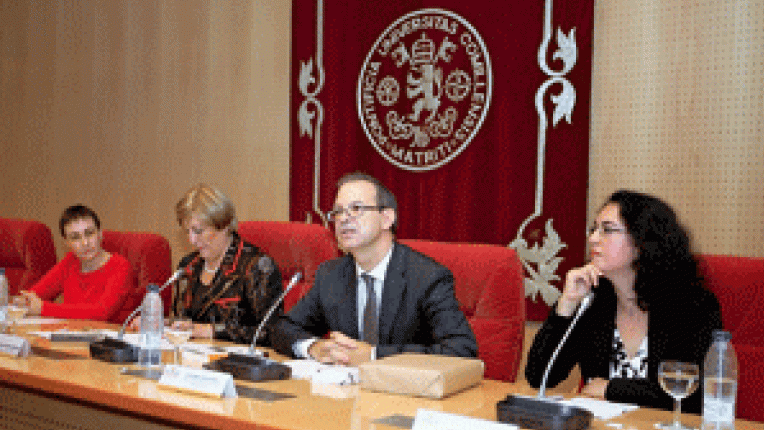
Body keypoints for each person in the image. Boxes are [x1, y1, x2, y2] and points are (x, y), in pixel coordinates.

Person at [525, 190, 722, 413]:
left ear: (642, 240)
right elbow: (539, 376)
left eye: (607, 230)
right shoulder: (593, 301)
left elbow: (689, 393)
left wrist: (611, 389)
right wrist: (567, 304)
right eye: (594, 229)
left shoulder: (691, 304)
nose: (593, 239)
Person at [271, 172, 477, 365]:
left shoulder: (427, 277)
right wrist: (313, 347)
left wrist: (373, 355)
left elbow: (461, 349)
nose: (343, 218)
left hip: (406, 396)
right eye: (338, 212)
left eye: (356, 209)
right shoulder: (331, 275)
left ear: (387, 218)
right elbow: (283, 328)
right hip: (345, 395)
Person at [171, 183, 282, 344]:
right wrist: (161, 323)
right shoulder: (188, 265)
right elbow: (183, 321)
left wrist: (212, 331)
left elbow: (271, 331)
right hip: (191, 358)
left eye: (198, 231)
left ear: (223, 226)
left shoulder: (257, 266)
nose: (191, 240)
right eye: (187, 231)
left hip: (237, 363)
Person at [14, 205, 133, 323]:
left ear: (100, 234)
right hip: (72, 334)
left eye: (89, 233)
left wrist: (43, 308)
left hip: (108, 338)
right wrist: (23, 301)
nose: (85, 243)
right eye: (75, 237)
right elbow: (35, 295)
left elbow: (102, 312)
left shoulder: (120, 266)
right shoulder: (69, 262)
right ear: (66, 242)